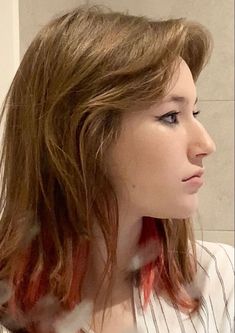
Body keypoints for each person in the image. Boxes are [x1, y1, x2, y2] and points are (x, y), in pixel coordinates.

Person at [0, 4, 233, 333]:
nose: (206, 144)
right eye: (170, 116)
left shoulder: (218, 279)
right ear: (83, 134)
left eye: (194, 113)